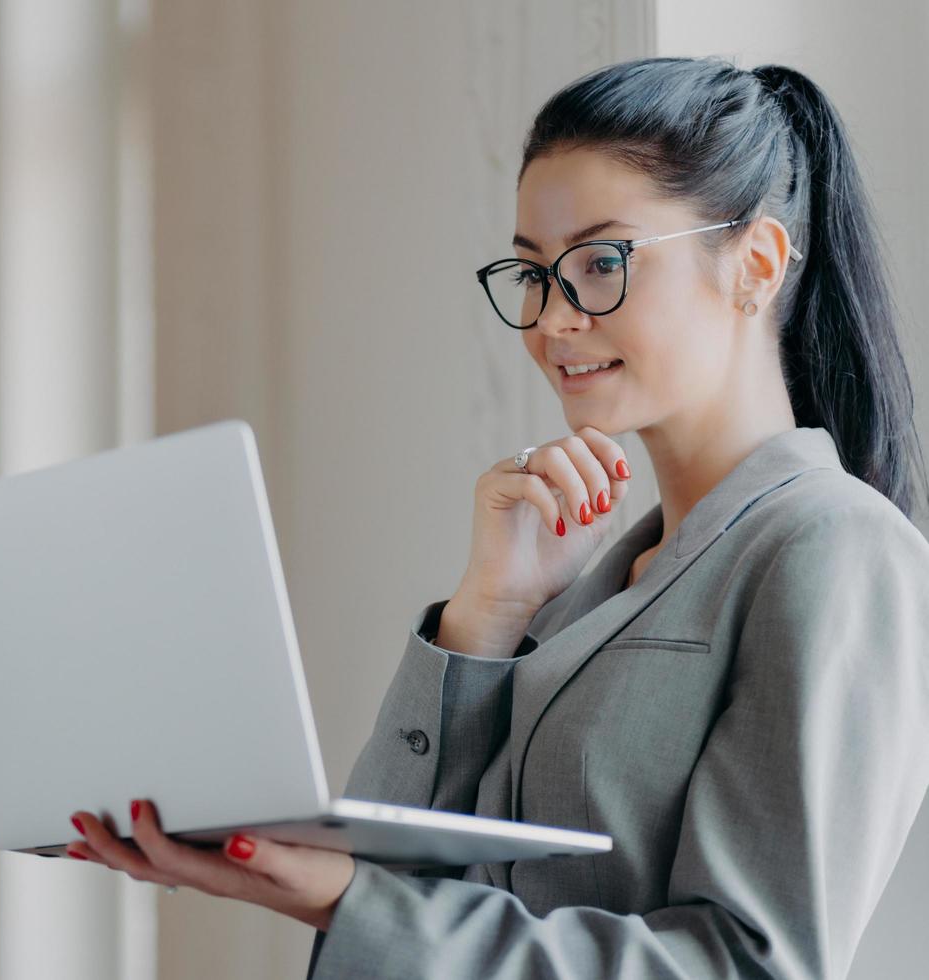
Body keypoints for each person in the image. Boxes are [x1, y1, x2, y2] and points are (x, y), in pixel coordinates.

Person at [64, 55, 929, 979]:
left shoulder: (833, 548)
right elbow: (390, 882)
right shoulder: (588, 586)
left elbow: (748, 967)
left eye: (601, 263)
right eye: (531, 273)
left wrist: (339, 896)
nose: (551, 319)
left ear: (754, 265)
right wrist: (486, 615)